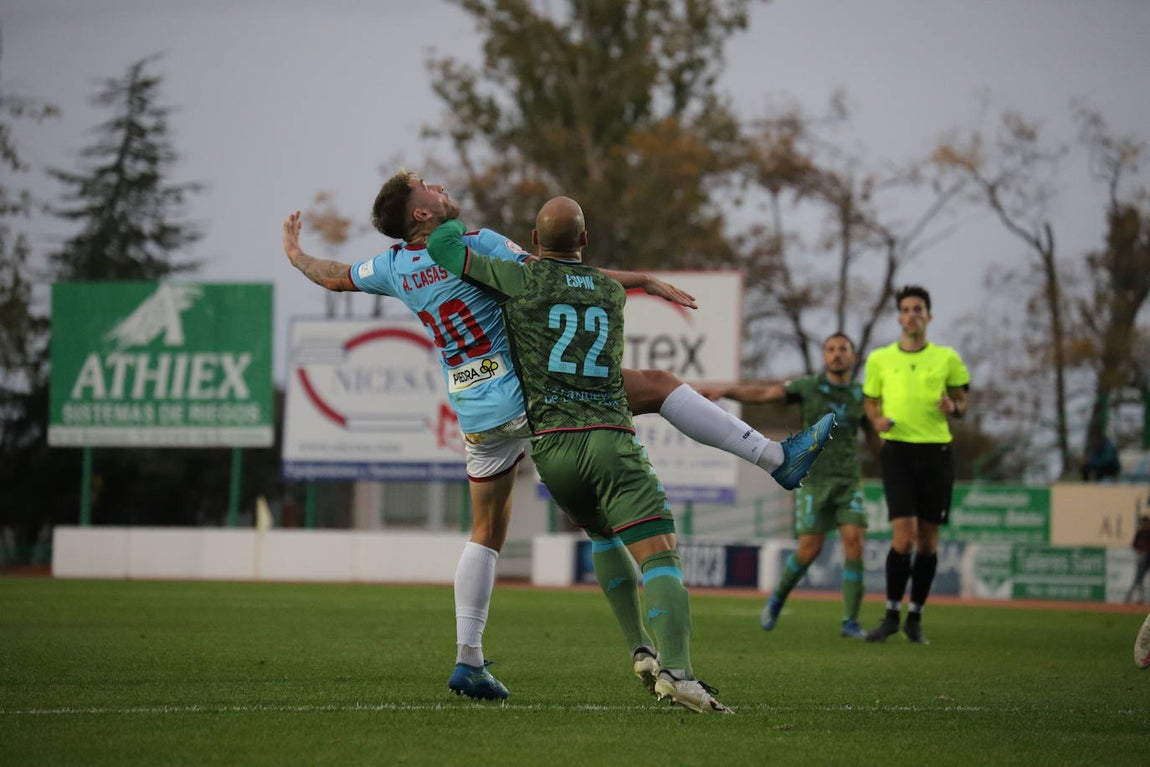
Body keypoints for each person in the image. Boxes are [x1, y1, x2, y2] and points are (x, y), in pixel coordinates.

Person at [282, 170, 834, 700]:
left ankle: (469, 659)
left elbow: (334, 275)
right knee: (659, 386)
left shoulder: (392, 265)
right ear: (421, 213)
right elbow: (561, 274)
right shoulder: (479, 243)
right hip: (531, 392)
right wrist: (642, 280)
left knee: (486, 531)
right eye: (427, 186)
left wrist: (295, 254)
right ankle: (772, 456)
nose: (439, 186)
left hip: (475, 410)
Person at [425, 196, 835, 713]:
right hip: (608, 437)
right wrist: (640, 279)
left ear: (532, 243)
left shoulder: (518, 279)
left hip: (552, 451)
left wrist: (448, 211)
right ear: (585, 240)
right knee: (659, 554)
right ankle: (679, 673)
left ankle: (640, 647)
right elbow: (587, 281)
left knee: (602, 534)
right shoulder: (608, 290)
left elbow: (443, 247)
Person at [697, 332, 881, 639]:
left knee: (854, 543)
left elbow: (874, 435)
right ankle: (777, 598)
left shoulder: (862, 395)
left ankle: (850, 621)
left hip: (848, 481)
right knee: (809, 550)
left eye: (843, 349)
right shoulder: (808, 387)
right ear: (825, 356)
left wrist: (889, 459)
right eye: (831, 349)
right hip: (814, 481)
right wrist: (727, 390)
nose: (837, 354)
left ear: (852, 356)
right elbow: (767, 393)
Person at [862, 285, 970, 645]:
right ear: (899, 317)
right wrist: (876, 421)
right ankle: (891, 615)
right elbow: (870, 401)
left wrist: (954, 407)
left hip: (936, 453)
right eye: (906, 309)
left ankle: (915, 618)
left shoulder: (947, 358)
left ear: (929, 316)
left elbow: (962, 402)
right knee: (903, 536)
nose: (912, 315)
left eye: (918, 309)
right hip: (897, 452)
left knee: (928, 542)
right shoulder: (880, 359)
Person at [1125, 514, 1150, 604]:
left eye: (1145, 523)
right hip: (1143, 557)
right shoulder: (1140, 532)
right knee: (1138, 579)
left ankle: (1136, 598)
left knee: (1138, 579)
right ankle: (1132, 599)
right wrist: (1141, 550)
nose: (1144, 524)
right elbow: (1134, 544)